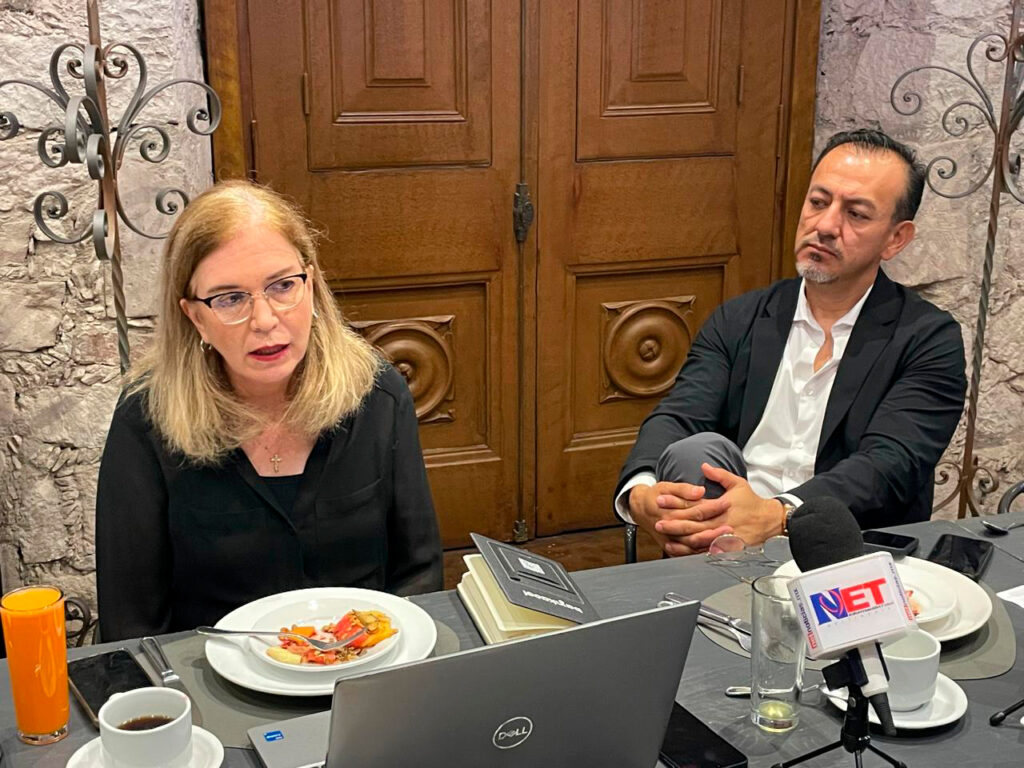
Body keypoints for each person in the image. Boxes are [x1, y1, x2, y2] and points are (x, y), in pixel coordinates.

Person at [96, 181, 443, 640]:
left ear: (311, 286)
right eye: (229, 298)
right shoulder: (146, 418)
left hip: (365, 665)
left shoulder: (379, 395)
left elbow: (419, 574)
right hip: (207, 676)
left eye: (282, 286)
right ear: (195, 317)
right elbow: (131, 621)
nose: (264, 320)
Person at [614, 129, 966, 557]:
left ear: (896, 238)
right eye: (818, 202)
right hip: (726, 542)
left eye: (856, 214)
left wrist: (779, 515)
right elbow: (680, 414)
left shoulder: (928, 339)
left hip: (845, 550)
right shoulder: (740, 318)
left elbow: (889, 464)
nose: (825, 226)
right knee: (696, 452)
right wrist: (641, 490)